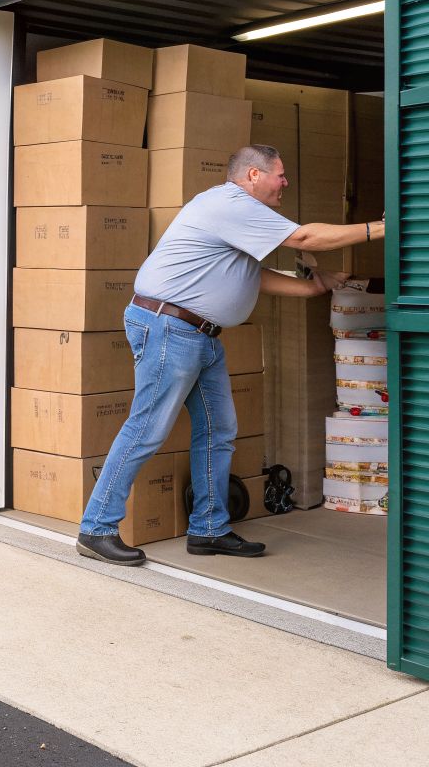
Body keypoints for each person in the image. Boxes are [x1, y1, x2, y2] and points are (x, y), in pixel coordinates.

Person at [76, 143, 383, 566]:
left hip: (200, 335)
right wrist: (379, 228)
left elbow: (251, 275)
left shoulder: (237, 217)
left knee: (219, 431)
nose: (285, 183)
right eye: (280, 174)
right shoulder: (229, 204)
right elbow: (306, 237)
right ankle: (97, 528)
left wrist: (313, 286)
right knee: (146, 428)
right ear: (254, 176)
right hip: (170, 327)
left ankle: (208, 529)